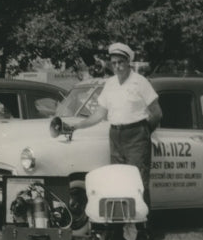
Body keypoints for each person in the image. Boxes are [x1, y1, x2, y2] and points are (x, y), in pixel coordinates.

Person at [69, 43, 162, 213]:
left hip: (137, 137)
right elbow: (98, 115)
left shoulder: (140, 82)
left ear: (128, 62)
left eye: (120, 62)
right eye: (114, 63)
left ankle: (143, 232)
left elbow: (157, 113)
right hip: (115, 136)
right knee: (120, 182)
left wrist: (144, 132)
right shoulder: (110, 84)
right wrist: (77, 126)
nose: (117, 66)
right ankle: (122, 229)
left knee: (139, 184)